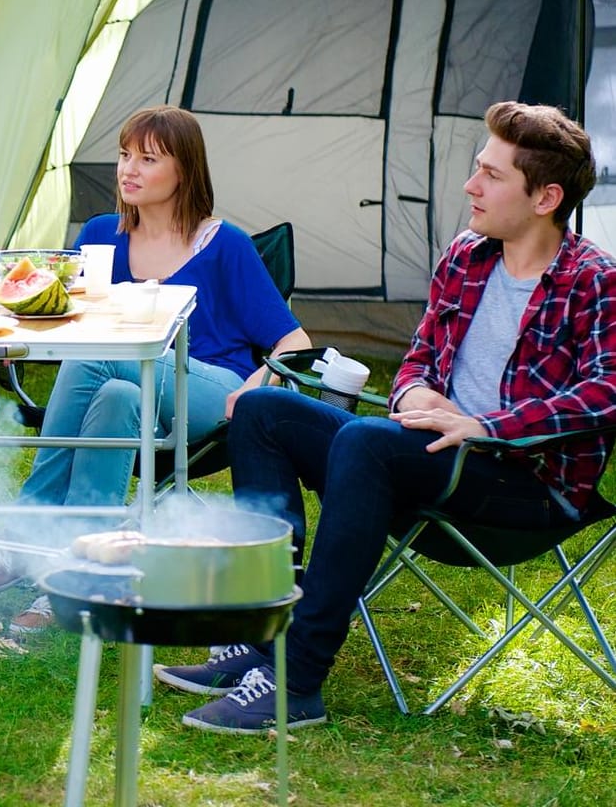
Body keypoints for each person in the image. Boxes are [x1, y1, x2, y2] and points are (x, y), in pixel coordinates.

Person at [156, 101, 616, 732]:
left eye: (492, 175)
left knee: (367, 445)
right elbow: (418, 360)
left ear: (546, 197)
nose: (470, 185)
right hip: (423, 455)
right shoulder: (466, 256)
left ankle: (296, 680)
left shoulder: (594, 281)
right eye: (476, 168)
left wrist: (486, 425)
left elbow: (609, 391)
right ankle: (266, 630)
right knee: (262, 412)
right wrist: (415, 396)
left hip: (522, 485)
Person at [0, 106, 310, 632]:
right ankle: (76, 575)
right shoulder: (100, 236)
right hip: (132, 386)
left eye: (147, 158)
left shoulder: (223, 244)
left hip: (208, 390)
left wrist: (255, 392)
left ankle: (25, 530)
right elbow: (62, 313)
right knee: (118, 396)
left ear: (184, 170)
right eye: (123, 155)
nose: (127, 169)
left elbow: (294, 341)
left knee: (97, 351)